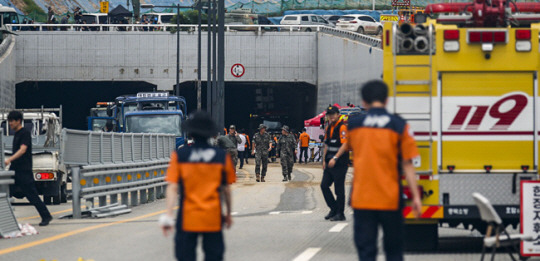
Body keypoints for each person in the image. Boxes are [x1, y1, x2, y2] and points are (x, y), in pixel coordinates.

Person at [331, 80, 422, 261]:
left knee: (366, 252)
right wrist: (416, 196)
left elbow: (348, 148)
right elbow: (407, 165)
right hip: (390, 198)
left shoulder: (354, 126)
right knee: (394, 251)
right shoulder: (399, 125)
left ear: (364, 102)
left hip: (362, 198)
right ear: (387, 100)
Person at [160, 111, 235, 261]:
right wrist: (227, 213)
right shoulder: (221, 156)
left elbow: (173, 187)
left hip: (188, 218)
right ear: (210, 133)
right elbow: (226, 189)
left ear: (191, 133)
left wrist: (168, 215)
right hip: (212, 218)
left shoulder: (180, 155)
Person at [5, 111, 53, 226]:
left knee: (32, 195)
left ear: (18, 121)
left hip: (23, 170)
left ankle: (46, 216)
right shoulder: (16, 134)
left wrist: (9, 159)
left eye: (12, 121)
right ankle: (6, 221)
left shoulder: (24, 133)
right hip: (15, 170)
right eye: (9, 121)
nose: (10, 123)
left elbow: (23, 149)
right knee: (6, 194)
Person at [321, 105, 349, 221]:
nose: (331, 116)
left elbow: (345, 144)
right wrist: (323, 160)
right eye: (329, 115)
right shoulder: (328, 128)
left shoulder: (342, 127)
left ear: (338, 115)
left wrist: (336, 158)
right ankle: (333, 208)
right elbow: (326, 145)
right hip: (329, 163)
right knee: (324, 185)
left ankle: (340, 213)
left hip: (340, 163)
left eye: (333, 114)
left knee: (339, 190)